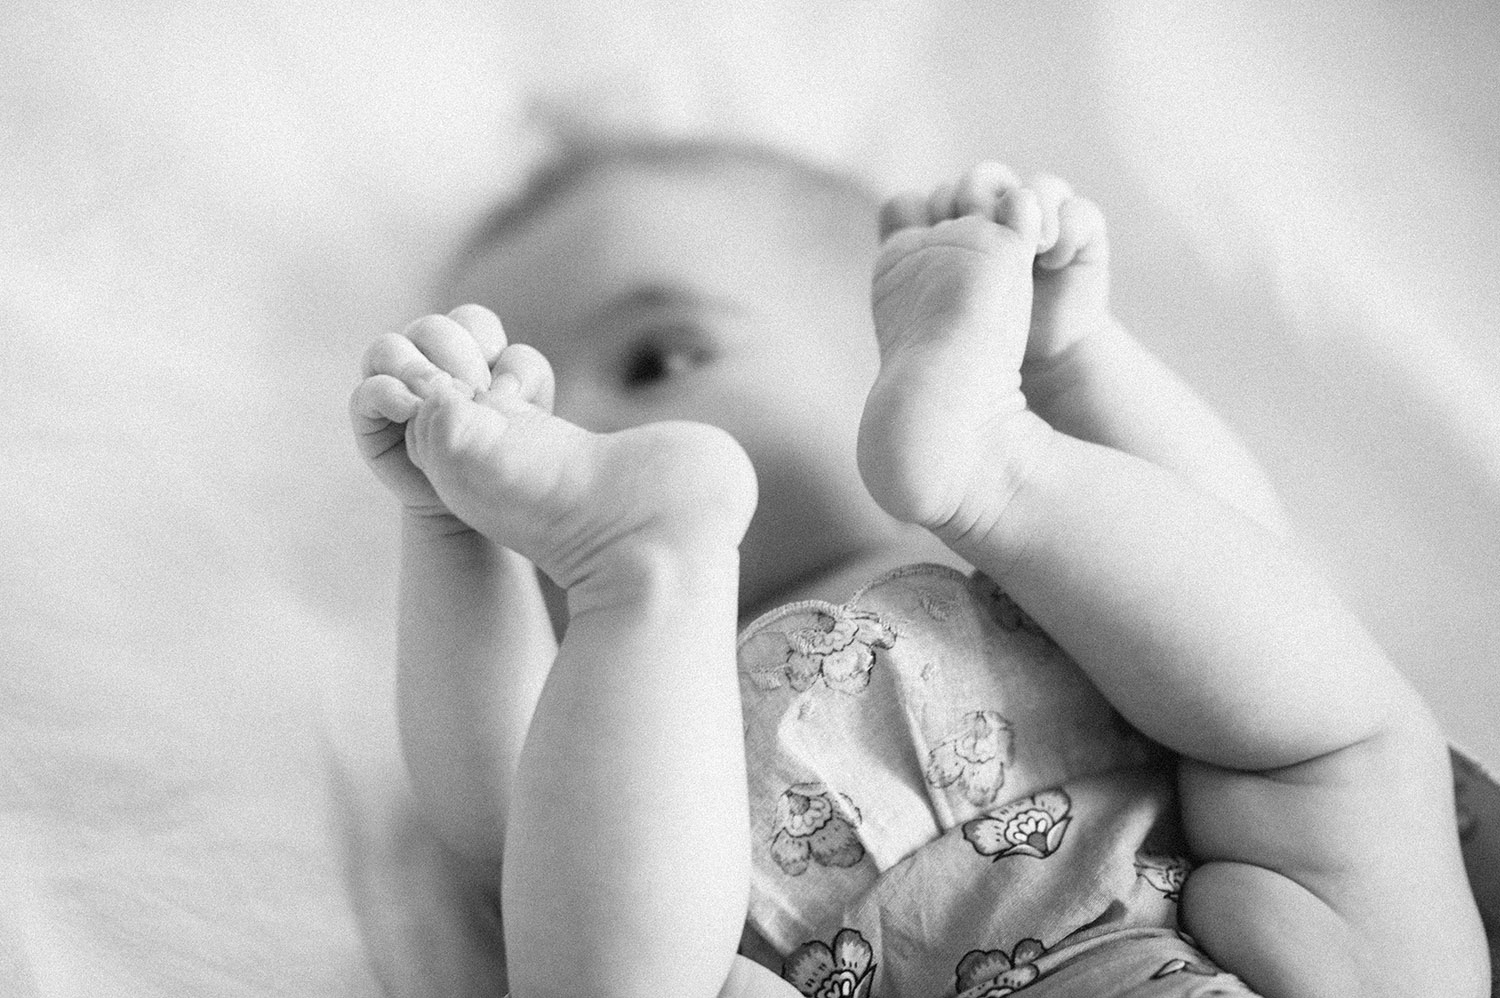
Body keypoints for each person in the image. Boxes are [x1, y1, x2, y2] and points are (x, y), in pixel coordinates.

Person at [348, 139, 1487, 998]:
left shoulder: (1023, 564)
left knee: (1327, 726)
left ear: (892, 350)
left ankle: (997, 459)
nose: (583, 429)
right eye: (541, 411)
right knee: (599, 937)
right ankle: (647, 572)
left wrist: (1072, 357)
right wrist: (461, 528)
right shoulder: (623, 723)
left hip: (1248, 919)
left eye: (655, 356)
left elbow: (1233, 547)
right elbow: (498, 813)